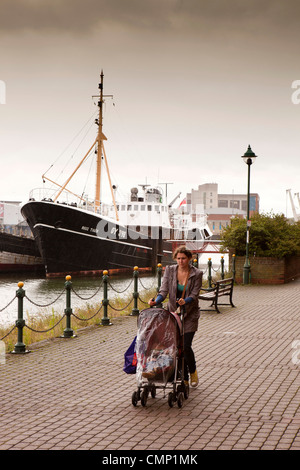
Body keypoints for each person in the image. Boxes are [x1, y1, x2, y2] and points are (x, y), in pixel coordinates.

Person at [149, 245, 203, 387]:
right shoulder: (170, 270)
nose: (180, 261)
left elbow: (195, 293)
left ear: (189, 258)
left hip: (190, 314)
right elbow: (164, 290)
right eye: (178, 258)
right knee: (176, 347)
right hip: (174, 314)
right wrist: (156, 301)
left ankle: (193, 371)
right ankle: (183, 377)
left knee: (185, 346)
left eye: (183, 258)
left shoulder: (196, 273)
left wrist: (186, 301)